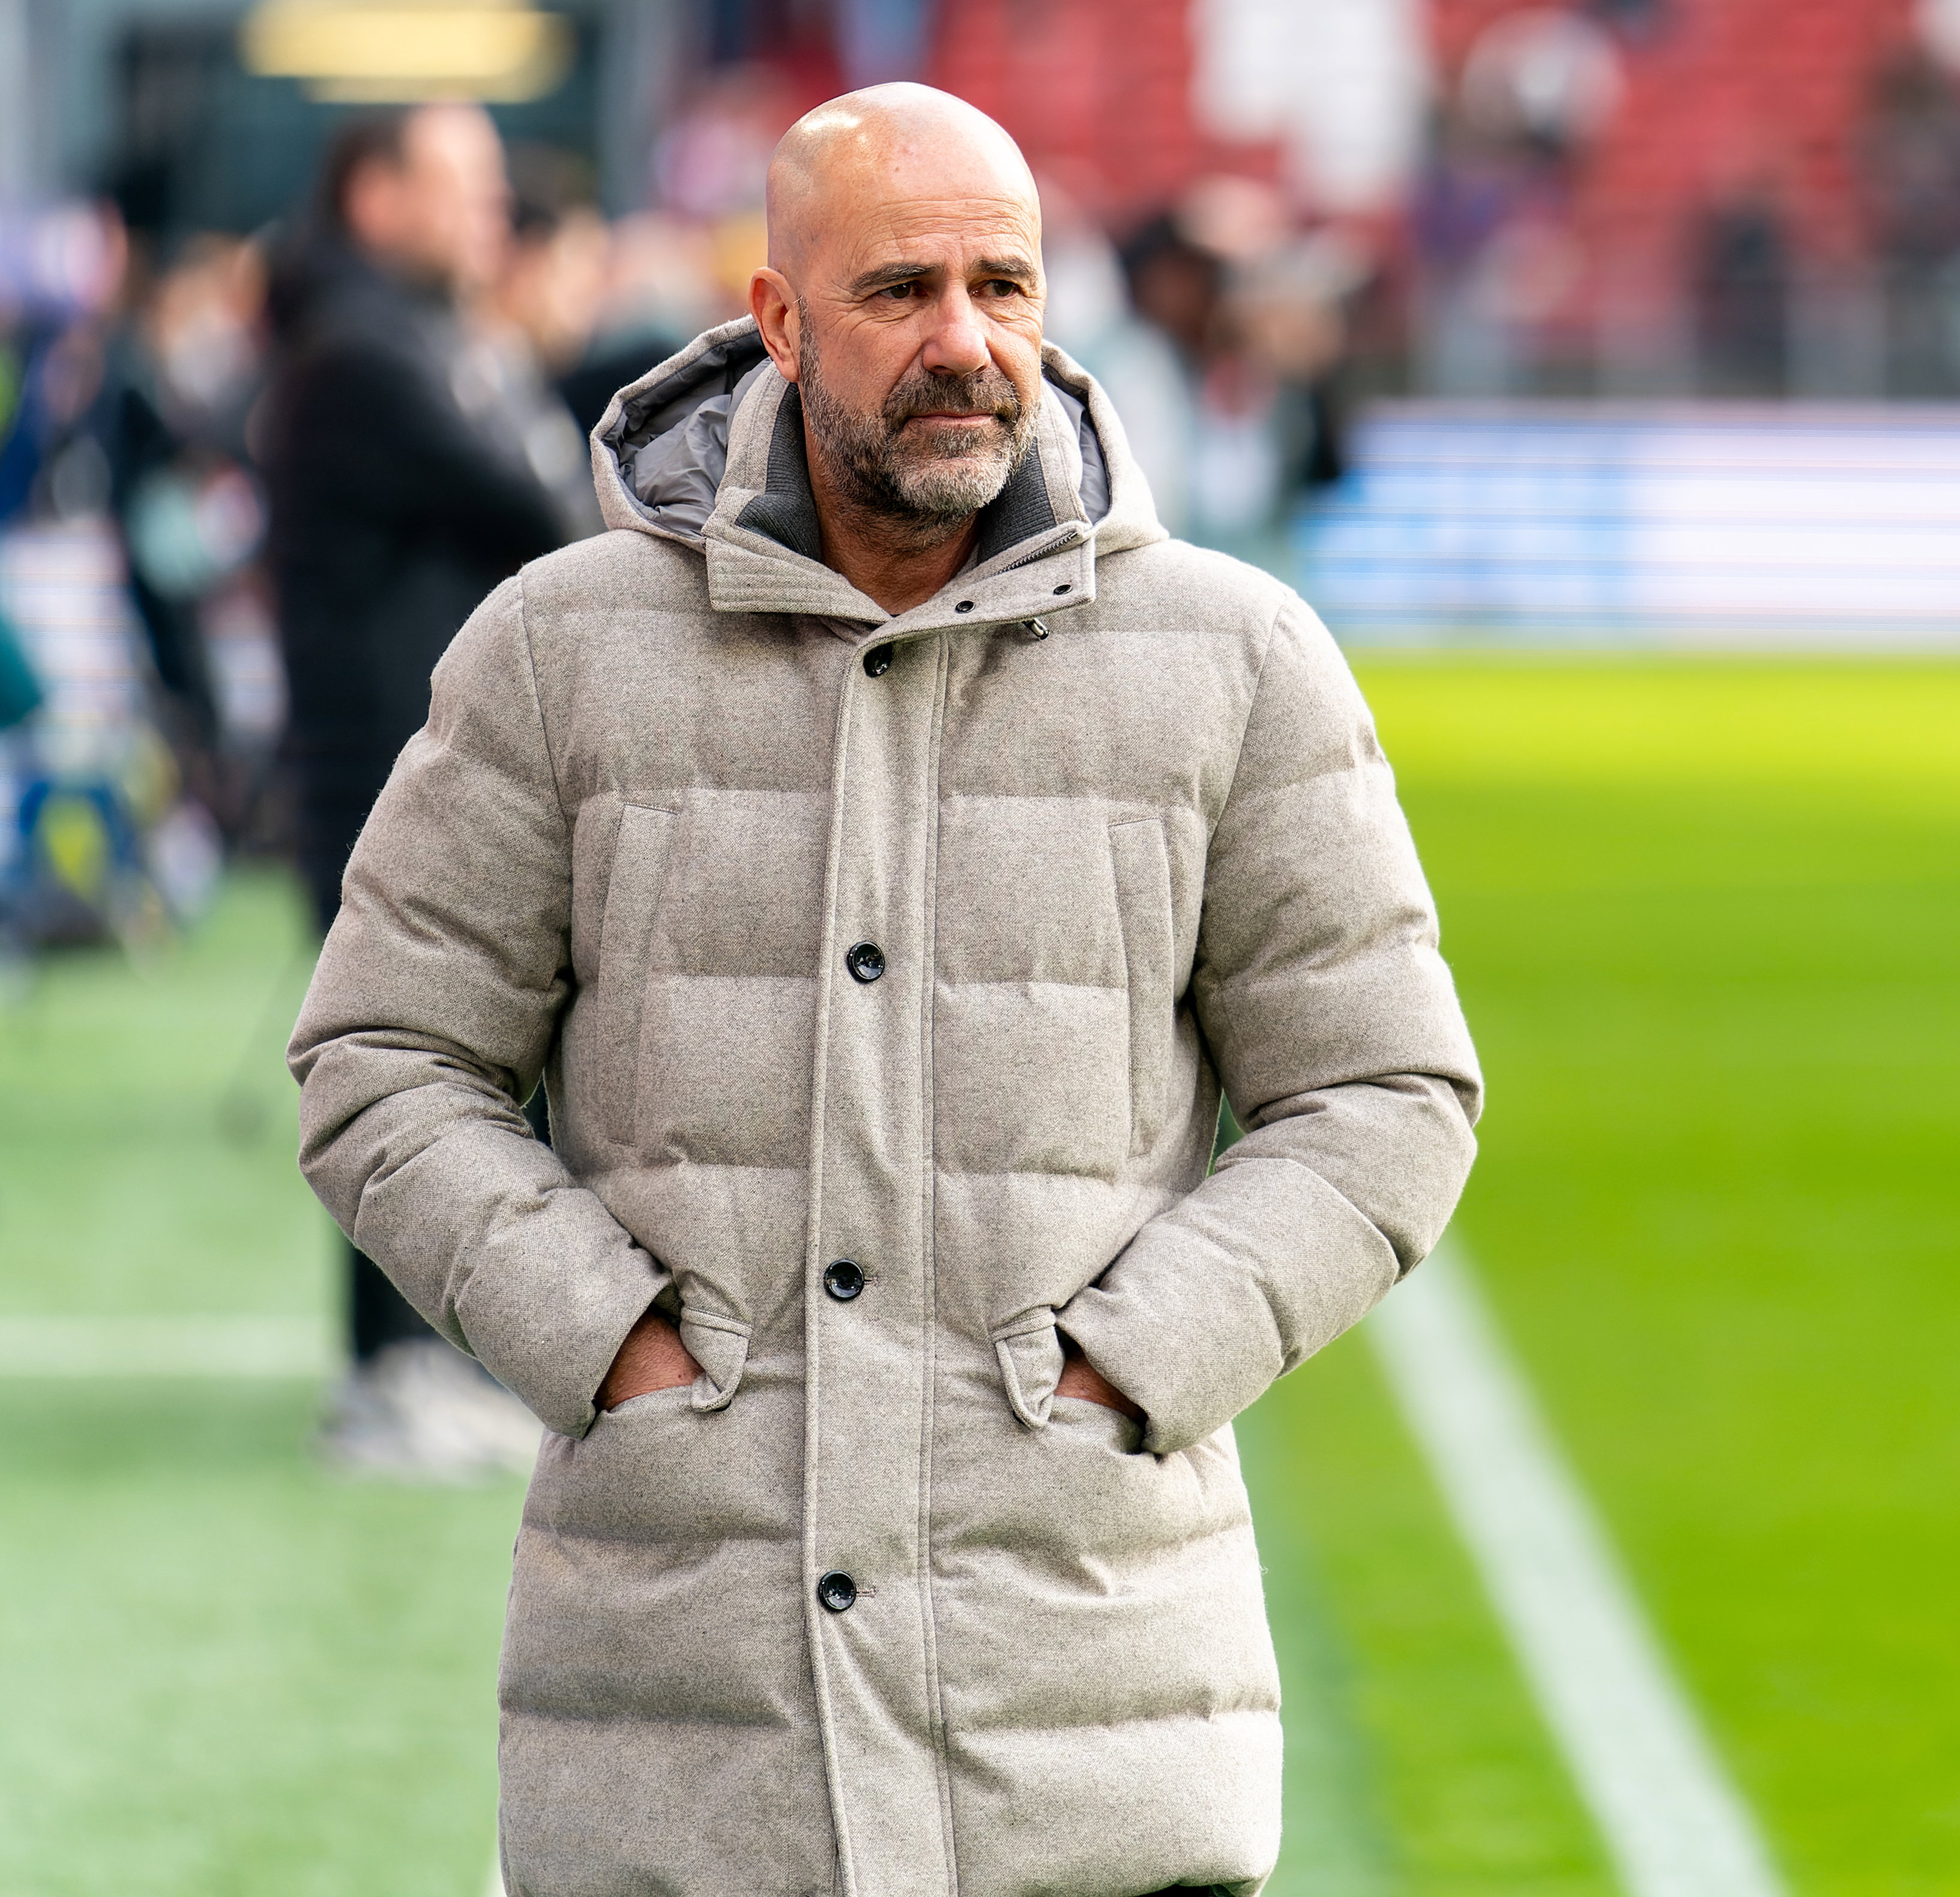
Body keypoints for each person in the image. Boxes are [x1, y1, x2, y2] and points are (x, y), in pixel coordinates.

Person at [288, 83, 1480, 1895]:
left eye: (1004, 287)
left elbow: (1388, 1092)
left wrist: (1134, 1361)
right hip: (682, 1737)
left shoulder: (1237, 660)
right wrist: (603, 1341)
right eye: (899, 290)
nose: (964, 344)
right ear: (775, 320)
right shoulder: (556, 649)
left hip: (1091, 1713)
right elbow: (383, 1055)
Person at [262, 103, 579, 1476]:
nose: (489, 211)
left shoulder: (430, 341)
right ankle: (388, 1379)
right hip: (380, 779)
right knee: (405, 1063)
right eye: (461, 184)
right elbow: (541, 516)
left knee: (474, 1069)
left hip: (430, 774)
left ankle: (435, 1358)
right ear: (375, 197)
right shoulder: (362, 358)